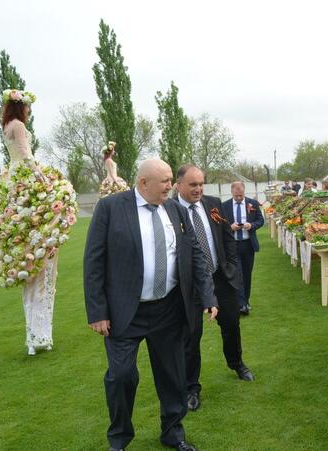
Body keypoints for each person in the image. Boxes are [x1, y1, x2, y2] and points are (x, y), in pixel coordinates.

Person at [84, 158, 218, 451]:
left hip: (168, 309)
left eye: (171, 179)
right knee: (120, 376)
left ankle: (173, 434)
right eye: (165, 181)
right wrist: (97, 311)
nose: (171, 185)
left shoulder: (173, 209)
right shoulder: (111, 208)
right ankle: (119, 439)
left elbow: (194, 253)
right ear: (143, 183)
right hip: (124, 313)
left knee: (172, 376)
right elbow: (93, 262)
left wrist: (208, 296)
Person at [0, 89, 78, 355]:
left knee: (32, 275)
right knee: (43, 270)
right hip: (26, 179)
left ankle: (34, 337)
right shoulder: (20, 127)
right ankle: (40, 336)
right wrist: (44, 179)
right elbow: (26, 156)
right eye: (26, 106)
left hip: (12, 183)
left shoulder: (6, 127)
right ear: (21, 107)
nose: (28, 111)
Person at [174, 165, 254, 412]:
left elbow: (227, 237)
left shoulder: (213, 204)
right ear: (179, 184)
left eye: (201, 184)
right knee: (191, 334)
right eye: (193, 185)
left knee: (231, 324)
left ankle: (237, 363)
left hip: (220, 277)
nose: (198, 189)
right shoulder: (169, 210)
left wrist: (229, 266)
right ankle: (191, 388)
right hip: (189, 286)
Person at [223, 181, 265, 315]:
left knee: (247, 274)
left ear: (244, 191)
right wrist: (231, 227)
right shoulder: (225, 206)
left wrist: (251, 225)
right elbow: (220, 225)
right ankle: (241, 305)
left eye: (241, 195)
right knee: (238, 274)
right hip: (232, 245)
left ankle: (245, 301)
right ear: (232, 192)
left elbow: (260, 220)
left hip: (248, 244)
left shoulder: (252, 203)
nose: (239, 197)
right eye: (237, 195)